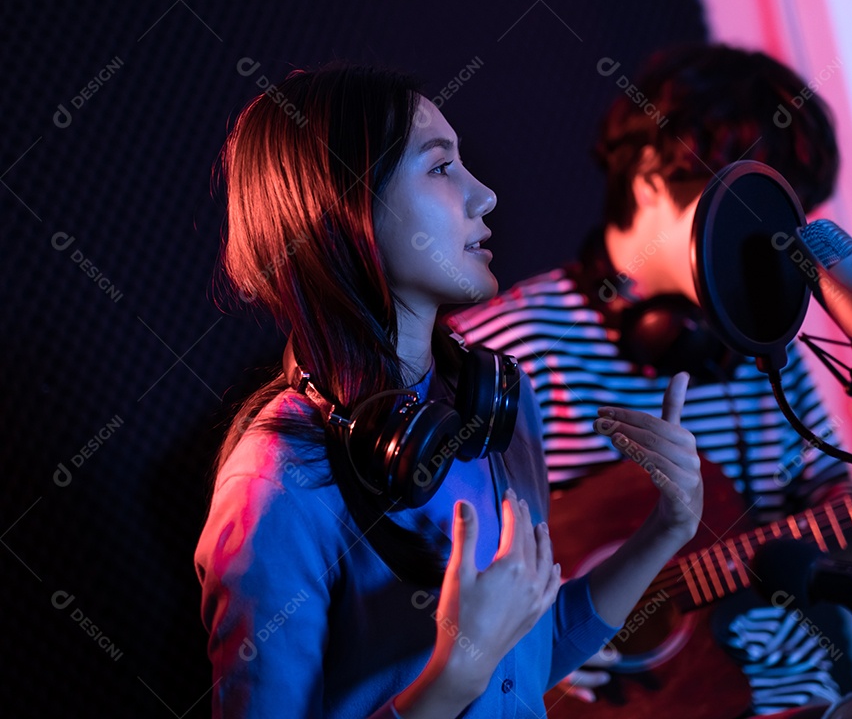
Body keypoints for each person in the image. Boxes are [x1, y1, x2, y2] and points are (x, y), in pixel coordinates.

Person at [447, 43, 852, 718]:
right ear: (648, 177)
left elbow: (827, 526)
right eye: (745, 210)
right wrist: (535, 645)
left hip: (792, 698)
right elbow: (429, 556)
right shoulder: (508, 348)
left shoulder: (767, 351)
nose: (768, 244)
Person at [194, 63, 713, 718]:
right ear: (344, 206)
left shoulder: (498, 408)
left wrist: (666, 529)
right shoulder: (276, 486)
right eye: (441, 168)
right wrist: (454, 671)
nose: (485, 195)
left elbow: (525, 662)